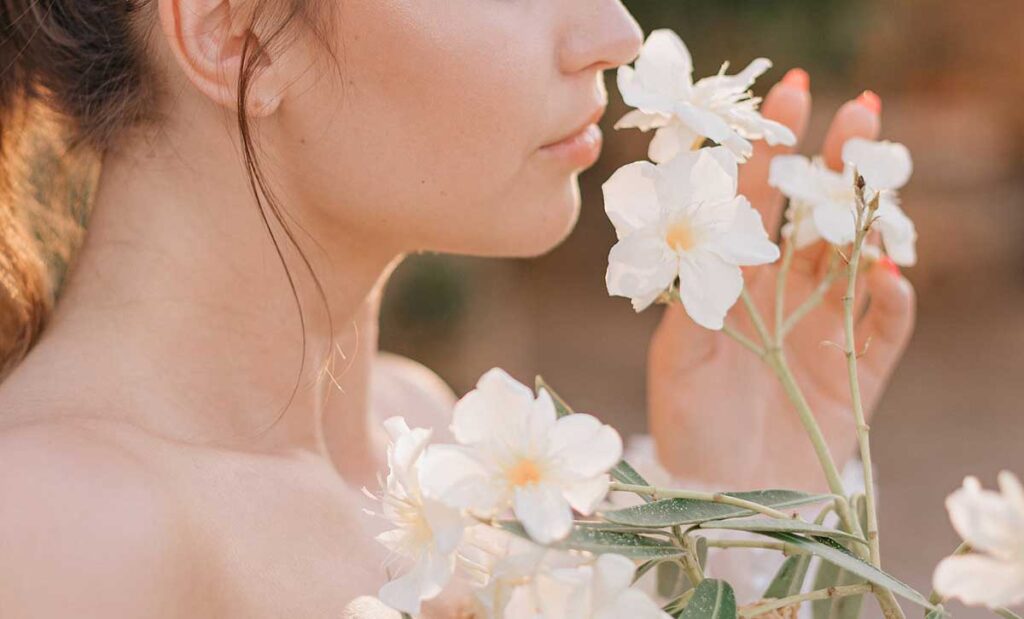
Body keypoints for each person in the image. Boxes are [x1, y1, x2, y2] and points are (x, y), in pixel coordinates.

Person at [0, 0, 915, 616]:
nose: (617, 30)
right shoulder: (54, 528)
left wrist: (733, 512)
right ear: (235, 36)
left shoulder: (437, 435)